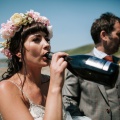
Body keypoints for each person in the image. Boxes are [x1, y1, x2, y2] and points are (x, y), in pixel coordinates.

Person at [0, 9, 70, 120]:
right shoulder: (6, 89)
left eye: (47, 39)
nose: (47, 44)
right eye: (36, 39)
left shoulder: (49, 80)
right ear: (18, 52)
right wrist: (55, 87)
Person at [62, 12, 120, 120]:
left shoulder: (119, 63)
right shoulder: (77, 64)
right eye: (119, 34)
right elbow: (68, 100)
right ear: (104, 35)